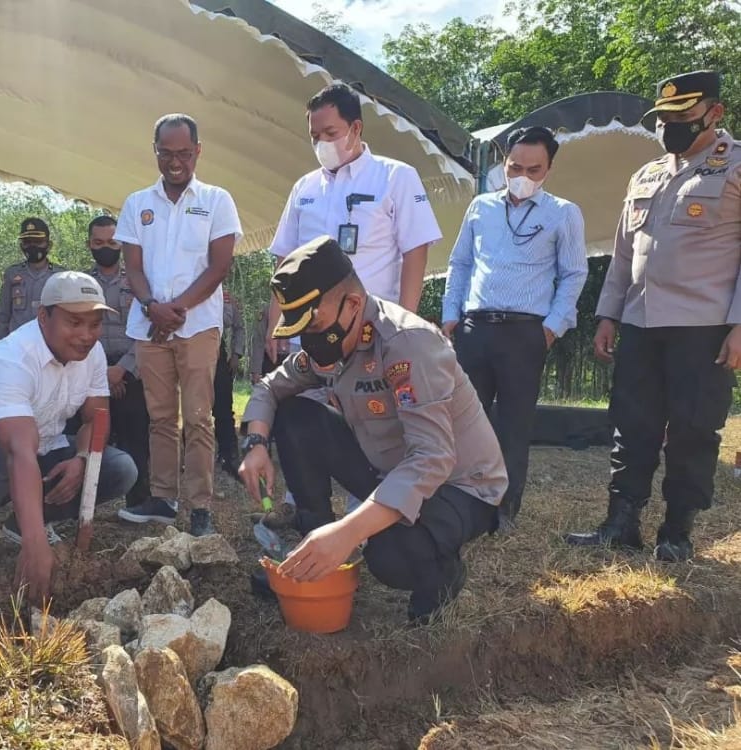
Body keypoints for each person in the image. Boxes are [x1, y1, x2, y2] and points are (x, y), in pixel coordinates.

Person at [239, 236, 507, 622]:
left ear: (352, 304)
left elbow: (432, 458)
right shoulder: (332, 342)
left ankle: (443, 574)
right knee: (297, 415)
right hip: (387, 470)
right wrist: (256, 443)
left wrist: (349, 533)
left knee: (389, 553)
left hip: (459, 485)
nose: (309, 339)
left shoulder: (407, 344)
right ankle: (314, 551)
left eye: (313, 322)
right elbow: (271, 387)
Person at [566, 70, 741, 562]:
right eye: (663, 117)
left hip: (702, 326)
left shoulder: (736, 167)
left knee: (692, 430)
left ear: (714, 112)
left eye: (681, 115)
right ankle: (620, 524)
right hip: (642, 322)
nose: (670, 125)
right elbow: (624, 255)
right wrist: (608, 316)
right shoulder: (645, 174)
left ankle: (676, 532)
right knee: (631, 425)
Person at [0, 272, 137, 599]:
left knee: (118, 468)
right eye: (74, 322)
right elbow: (16, 450)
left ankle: (19, 525)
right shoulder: (11, 359)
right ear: (44, 316)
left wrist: (81, 460)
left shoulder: (92, 355)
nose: (85, 335)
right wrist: (35, 543)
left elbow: (95, 421)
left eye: (94, 324)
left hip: (37, 449)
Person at [442, 126, 588, 529]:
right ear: (502, 163)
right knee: (463, 418)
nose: (522, 175)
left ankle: (503, 509)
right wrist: (451, 315)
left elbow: (574, 274)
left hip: (526, 332)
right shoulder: (481, 208)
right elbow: (460, 264)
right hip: (475, 327)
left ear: (549, 168)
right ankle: (459, 500)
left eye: (534, 168)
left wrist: (553, 327)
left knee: (513, 423)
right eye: (514, 166)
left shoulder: (563, 212)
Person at [114, 113, 242, 536]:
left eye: (184, 153)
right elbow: (132, 267)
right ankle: (164, 499)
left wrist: (175, 310)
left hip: (197, 326)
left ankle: (200, 506)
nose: (175, 162)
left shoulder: (217, 200)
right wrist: (152, 306)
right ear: (155, 152)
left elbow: (219, 265)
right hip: (149, 325)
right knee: (161, 417)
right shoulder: (137, 204)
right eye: (166, 154)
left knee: (199, 418)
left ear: (197, 152)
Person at [263, 81, 443, 364]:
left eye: (330, 133)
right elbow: (285, 258)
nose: (321, 142)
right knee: (309, 406)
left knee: (369, 406)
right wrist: (277, 323)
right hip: (308, 333)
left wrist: (405, 326)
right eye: (314, 135)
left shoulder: (396, 177)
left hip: (371, 331)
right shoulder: (304, 187)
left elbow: (415, 251)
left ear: (356, 128)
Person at [83, 214, 151, 510]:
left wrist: (121, 369)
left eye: (112, 242)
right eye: (98, 242)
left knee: (136, 434)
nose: (105, 247)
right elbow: (78, 331)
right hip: (90, 369)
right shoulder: (82, 285)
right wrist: (102, 372)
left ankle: (139, 501)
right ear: (89, 245)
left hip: (131, 369)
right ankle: (84, 501)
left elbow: (147, 330)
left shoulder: (139, 282)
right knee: (88, 434)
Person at [0, 218, 67, 344]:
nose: (32, 246)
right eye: (27, 242)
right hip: (17, 346)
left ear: (49, 244)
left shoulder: (61, 276)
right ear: (21, 245)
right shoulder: (12, 274)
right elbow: (2, 318)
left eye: (38, 241)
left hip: (49, 347)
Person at [213, 290, 245, 478]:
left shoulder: (225, 297)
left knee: (224, 406)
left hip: (218, 354)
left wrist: (236, 353)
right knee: (193, 408)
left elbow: (238, 327)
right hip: (192, 353)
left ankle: (228, 454)